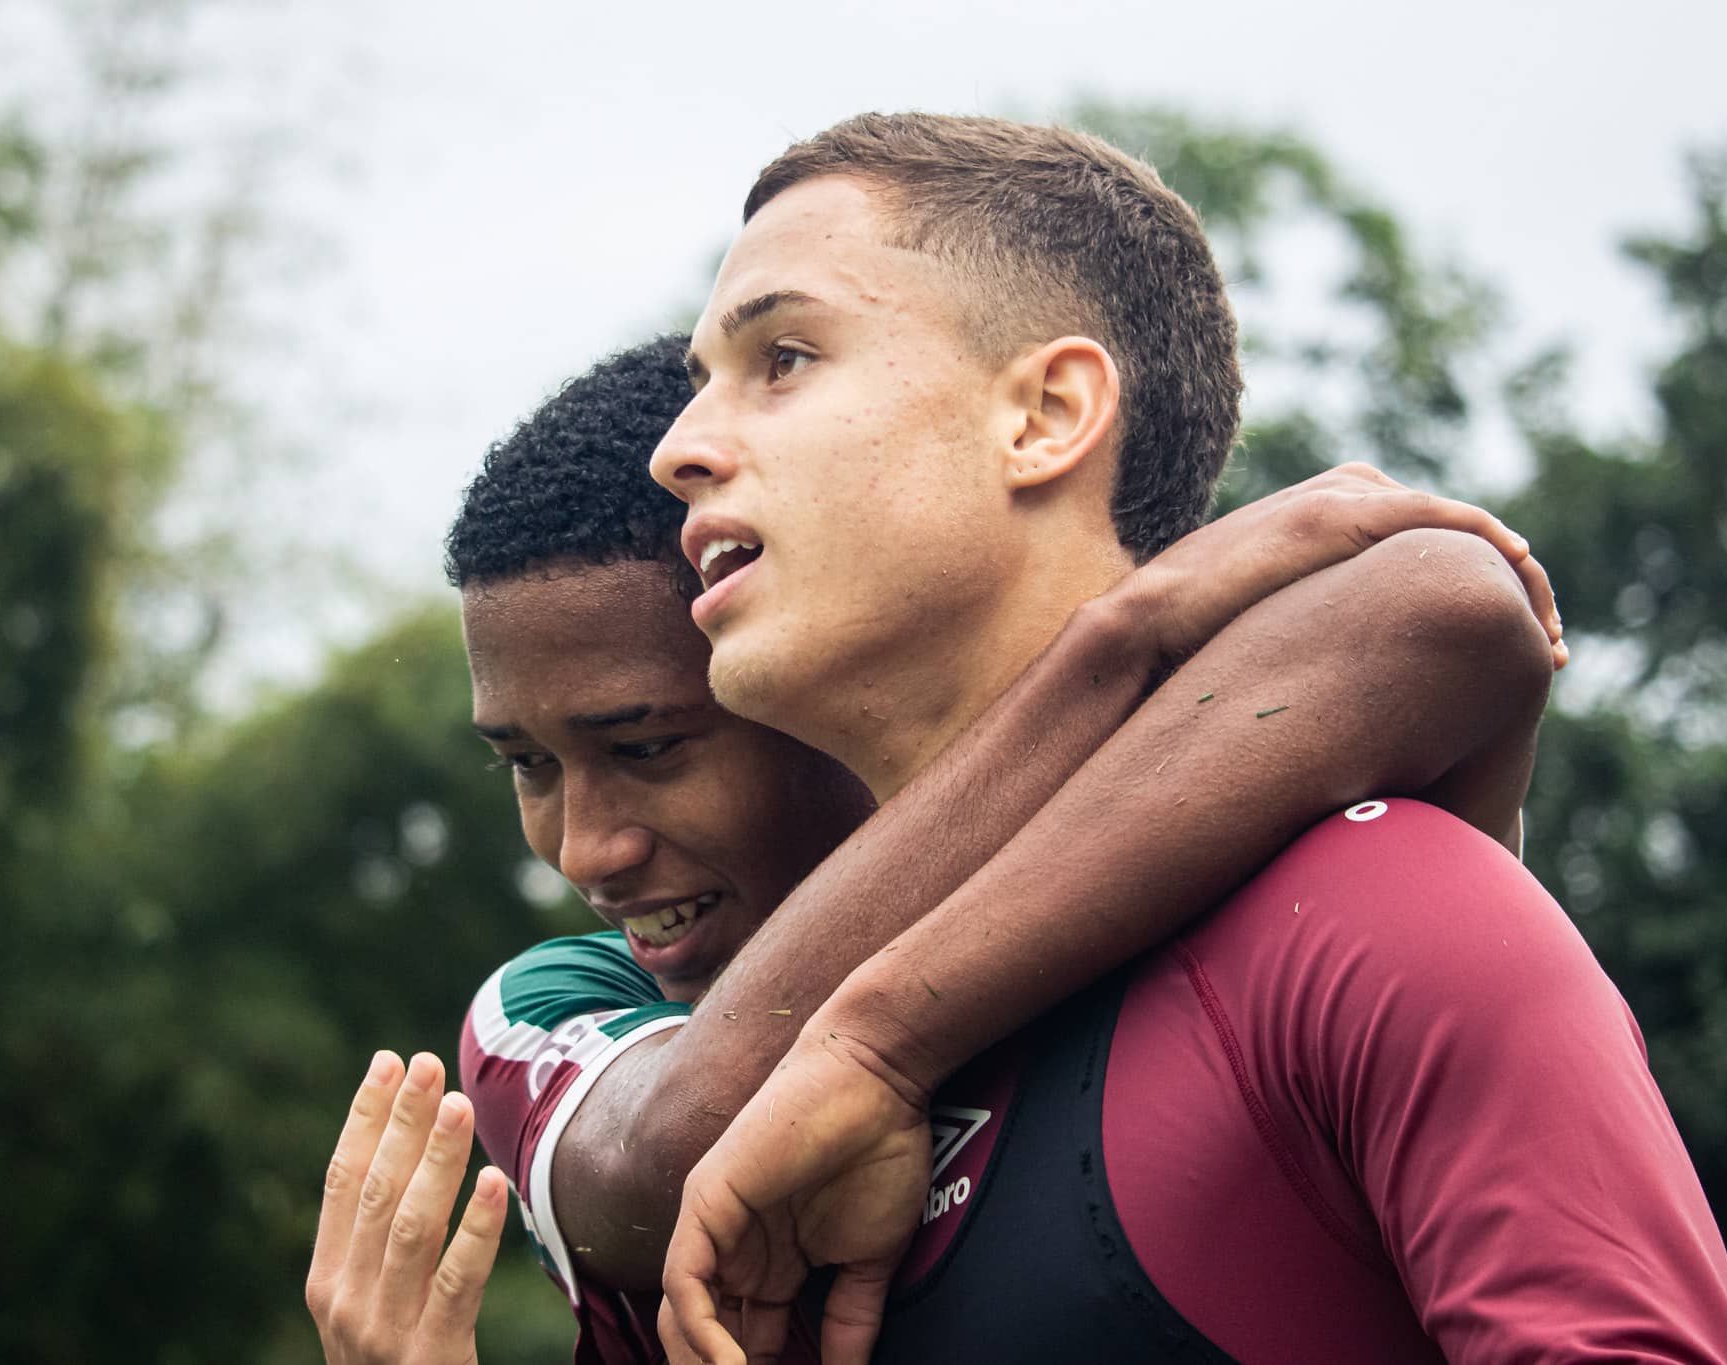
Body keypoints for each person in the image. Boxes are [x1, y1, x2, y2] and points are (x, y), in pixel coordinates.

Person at [654, 114, 1727, 1363]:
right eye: (700, 382)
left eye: (783, 356)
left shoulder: (1377, 908)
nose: (677, 449)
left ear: (1045, 414)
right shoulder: (740, 1017)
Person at [308, 330, 1572, 1364]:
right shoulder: (561, 1006)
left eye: (647, 747)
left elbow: (1448, 607)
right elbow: (671, 1153)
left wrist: (1115, 643)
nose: (584, 849)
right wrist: (1123, 640)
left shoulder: (1238, 937)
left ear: (798, 680)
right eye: (526, 766)